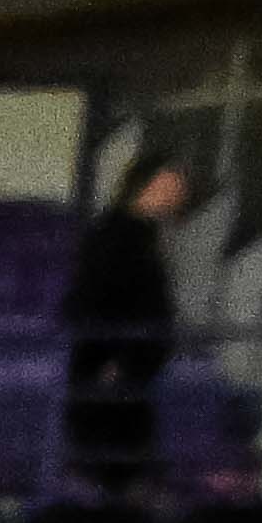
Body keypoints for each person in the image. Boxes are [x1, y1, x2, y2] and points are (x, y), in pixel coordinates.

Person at [64, 153, 188, 488]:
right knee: (112, 464)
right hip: (114, 369)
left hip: (134, 367)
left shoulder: (144, 236)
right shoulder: (115, 237)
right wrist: (111, 358)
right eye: (170, 184)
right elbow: (97, 301)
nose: (179, 194)